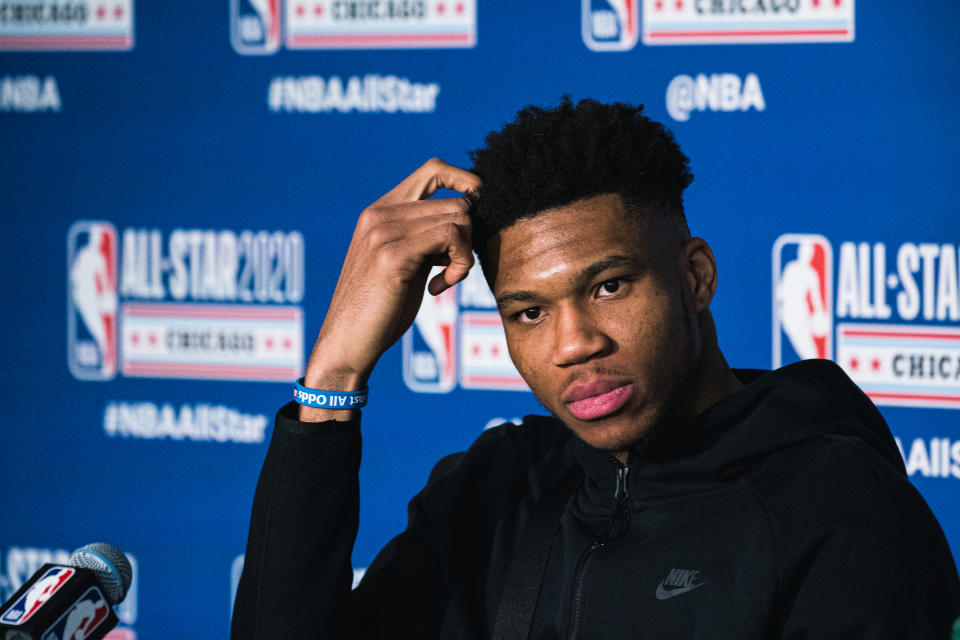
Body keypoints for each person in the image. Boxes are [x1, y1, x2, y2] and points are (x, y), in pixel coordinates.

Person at [231, 97, 960, 639]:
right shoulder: (497, 490)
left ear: (696, 276)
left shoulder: (841, 513)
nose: (573, 343)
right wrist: (337, 367)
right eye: (529, 312)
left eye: (608, 286)